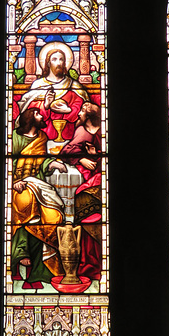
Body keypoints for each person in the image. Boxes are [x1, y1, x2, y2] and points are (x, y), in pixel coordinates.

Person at [11, 107, 67, 288]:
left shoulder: (42, 138)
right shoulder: (14, 137)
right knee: (26, 206)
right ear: (29, 118)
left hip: (38, 184)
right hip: (17, 185)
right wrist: (14, 182)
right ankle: (20, 255)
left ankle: (38, 272)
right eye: (37, 113)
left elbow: (41, 161)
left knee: (52, 217)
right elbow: (7, 163)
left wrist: (53, 163)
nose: (42, 116)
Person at [60, 101, 102, 280]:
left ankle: (95, 262)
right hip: (87, 177)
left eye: (82, 112)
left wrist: (94, 156)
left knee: (88, 203)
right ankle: (87, 262)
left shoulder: (101, 131)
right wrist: (81, 160)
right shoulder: (82, 131)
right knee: (82, 203)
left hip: (99, 176)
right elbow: (65, 151)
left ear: (89, 115)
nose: (78, 115)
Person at [17, 43, 89, 141]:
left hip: (70, 135)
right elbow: (28, 112)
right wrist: (45, 105)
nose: (59, 63)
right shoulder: (38, 85)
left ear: (65, 63)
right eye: (54, 59)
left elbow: (81, 105)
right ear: (47, 63)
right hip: (43, 135)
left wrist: (70, 111)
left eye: (61, 59)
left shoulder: (73, 85)